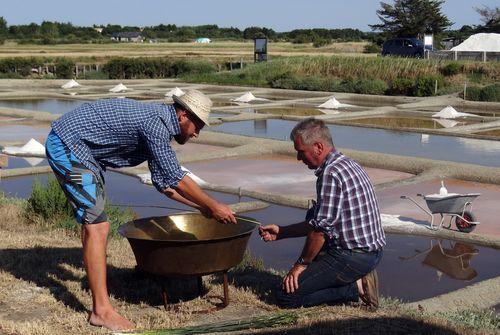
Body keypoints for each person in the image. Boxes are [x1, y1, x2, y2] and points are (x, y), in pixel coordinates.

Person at [45, 90, 236, 331]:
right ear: (183, 115)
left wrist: (200, 208)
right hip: (67, 145)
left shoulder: (159, 128)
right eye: (197, 125)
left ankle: (101, 284)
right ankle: (100, 311)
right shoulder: (155, 125)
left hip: (85, 153)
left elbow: (164, 185)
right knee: (97, 226)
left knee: (97, 223)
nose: (197, 133)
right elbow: (176, 178)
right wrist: (213, 205)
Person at [259, 118, 385, 309]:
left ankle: (354, 288)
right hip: (370, 254)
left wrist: (300, 265)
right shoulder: (347, 163)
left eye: (301, 152)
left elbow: (319, 232)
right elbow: (319, 222)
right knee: (311, 265)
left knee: (286, 297)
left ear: (318, 146)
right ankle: (351, 281)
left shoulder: (331, 173)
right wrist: (282, 232)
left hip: (353, 256)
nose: (299, 159)